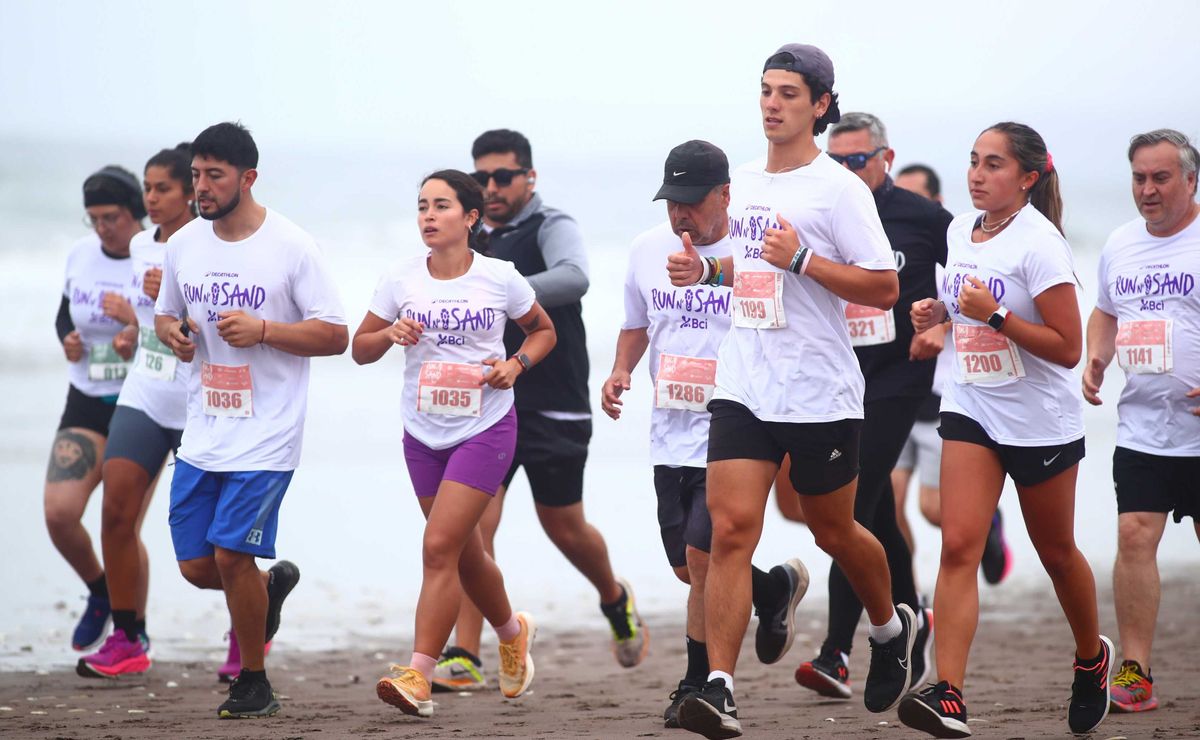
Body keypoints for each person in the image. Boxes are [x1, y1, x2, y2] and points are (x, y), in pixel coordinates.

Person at [667, 44, 917, 740]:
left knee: (833, 529)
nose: (772, 104)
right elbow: (750, 272)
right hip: (744, 382)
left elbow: (884, 287)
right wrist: (707, 275)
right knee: (729, 532)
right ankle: (719, 688)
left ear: (820, 106)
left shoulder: (840, 190)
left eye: (788, 93)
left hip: (819, 391)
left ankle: (891, 628)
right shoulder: (740, 182)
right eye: (766, 91)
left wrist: (804, 259)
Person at [900, 122, 1112, 738]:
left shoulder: (1040, 244)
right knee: (959, 545)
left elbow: (1069, 348)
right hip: (971, 404)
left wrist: (992, 315)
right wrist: (936, 312)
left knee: (1057, 554)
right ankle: (950, 694)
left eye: (993, 165)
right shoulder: (957, 229)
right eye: (973, 162)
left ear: (1027, 177)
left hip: (1039, 421)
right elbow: (958, 298)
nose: (976, 174)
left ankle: (1090, 657)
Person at [601, 140, 809, 728]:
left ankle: (699, 681)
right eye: (672, 201)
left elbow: (789, 324)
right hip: (670, 429)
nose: (680, 214)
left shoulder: (753, 251)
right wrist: (620, 370)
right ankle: (772, 590)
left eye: (692, 202)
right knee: (690, 567)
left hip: (737, 426)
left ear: (725, 195)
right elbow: (635, 323)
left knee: (705, 552)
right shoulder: (647, 250)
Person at [433, 129, 644, 691]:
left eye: (504, 176)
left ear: (530, 178)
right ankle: (467, 653)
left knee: (565, 527)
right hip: (486, 403)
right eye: (482, 177)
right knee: (476, 525)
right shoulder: (465, 236)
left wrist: (502, 289)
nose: (492, 187)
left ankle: (614, 597)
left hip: (555, 402)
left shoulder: (551, 225)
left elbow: (576, 277)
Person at [155, 122, 348, 718]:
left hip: (267, 435)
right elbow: (165, 318)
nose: (202, 187)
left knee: (232, 556)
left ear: (248, 177)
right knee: (196, 566)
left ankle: (254, 680)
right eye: (196, 175)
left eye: (214, 175)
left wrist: (266, 329)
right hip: (205, 427)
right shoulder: (184, 244)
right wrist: (177, 337)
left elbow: (336, 335)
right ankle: (265, 595)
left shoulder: (292, 246)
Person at [357, 169, 551, 718]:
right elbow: (359, 349)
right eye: (422, 206)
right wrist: (389, 334)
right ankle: (512, 632)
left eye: (441, 206)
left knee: (439, 547)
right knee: (465, 554)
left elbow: (543, 331)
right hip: (422, 433)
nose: (428, 216)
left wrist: (516, 364)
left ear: (470, 217)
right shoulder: (399, 279)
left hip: (485, 427)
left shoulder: (500, 277)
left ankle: (418, 674)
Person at [776, 112, 951, 701]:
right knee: (868, 509)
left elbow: (977, 272)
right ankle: (911, 616)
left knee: (850, 504)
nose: (847, 169)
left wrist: (944, 325)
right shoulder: (822, 205)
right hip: (838, 373)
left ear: (886, 157)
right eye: (839, 159)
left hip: (899, 376)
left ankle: (837, 653)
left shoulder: (924, 219)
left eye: (858, 160)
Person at [1082, 128, 1200, 714]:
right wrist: (1096, 356)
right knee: (1133, 536)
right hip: (1143, 427)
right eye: (1139, 178)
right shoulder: (1121, 243)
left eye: (1160, 177)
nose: (1148, 190)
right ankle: (1135, 670)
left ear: (1190, 180)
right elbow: (1105, 309)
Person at [77, 144, 198, 678]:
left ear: (191, 192)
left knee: (210, 545)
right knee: (116, 510)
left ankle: (253, 619)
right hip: (146, 390)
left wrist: (179, 294)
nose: (150, 198)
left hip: (201, 401)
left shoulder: (211, 245)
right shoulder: (143, 246)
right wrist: (131, 331)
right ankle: (128, 636)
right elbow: (146, 321)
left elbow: (218, 324)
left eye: (162, 188)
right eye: (148, 188)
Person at [889, 165, 1013, 589]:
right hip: (890, 392)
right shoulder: (886, 252)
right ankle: (908, 592)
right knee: (886, 504)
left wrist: (939, 328)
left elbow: (974, 314)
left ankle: (988, 522)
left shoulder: (954, 257)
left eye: (914, 198)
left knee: (931, 508)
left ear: (935, 205)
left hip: (940, 397)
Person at [49, 165, 143, 652]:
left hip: (140, 403)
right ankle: (101, 591)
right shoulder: (80, 254)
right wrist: (66, 337)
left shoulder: (154, 258)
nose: (104, 227)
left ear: (135, 212)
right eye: (94, 219)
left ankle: (133, 635)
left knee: (121, 527)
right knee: (60, 515)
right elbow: (67, 310)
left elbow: (177, 327)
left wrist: (138, 334)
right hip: (86, 398)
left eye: (112, 217)